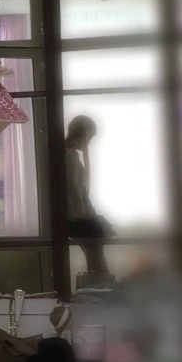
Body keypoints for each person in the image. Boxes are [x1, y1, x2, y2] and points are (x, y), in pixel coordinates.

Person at [65, 114, 114, 283]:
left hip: (79, 214)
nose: (90, 143)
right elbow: (74, 190)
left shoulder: (67, 155)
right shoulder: (69, 156)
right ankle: (102, 287)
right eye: (90, 138)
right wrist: (84, 216)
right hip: (78, 216)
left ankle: (100, 286)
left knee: (94, 256)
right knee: (96, 257)